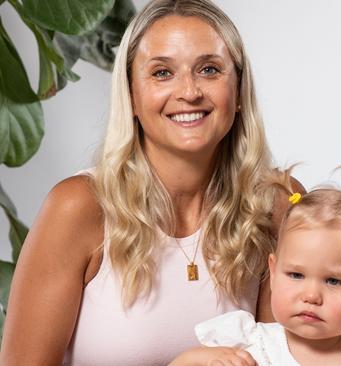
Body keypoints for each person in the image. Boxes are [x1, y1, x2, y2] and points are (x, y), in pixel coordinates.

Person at [0, 0, 291, 364]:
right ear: (132, 95)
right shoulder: (80, 206)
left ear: (239, 91)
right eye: (162, 73)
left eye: (210, 69)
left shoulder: (276, 203)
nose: (189, 91)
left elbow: (290, 357)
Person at [173, 165, 341, 365]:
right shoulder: (248, 343)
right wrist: (200, 360)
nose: (311, 296)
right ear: (274, 273)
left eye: (333, 281)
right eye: (296, 275)